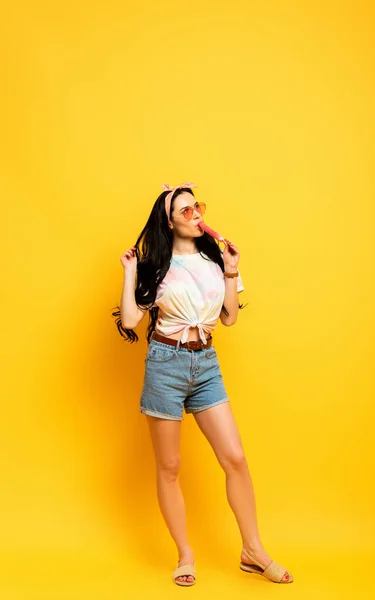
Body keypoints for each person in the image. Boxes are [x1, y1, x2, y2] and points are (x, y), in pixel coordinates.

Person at [112, 182, 294, 586]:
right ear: (169, 222)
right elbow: (129, 321)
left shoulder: (216, 258)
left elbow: (228, 318)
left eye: (199, 207)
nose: (197, 215)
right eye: (187, 211)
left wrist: (231, 271)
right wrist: (129, 273)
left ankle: (253, 550)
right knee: (170, 466)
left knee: (235, 458)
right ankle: (186, 554)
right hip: (166, 364)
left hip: (205, 362)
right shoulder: (154, 267)